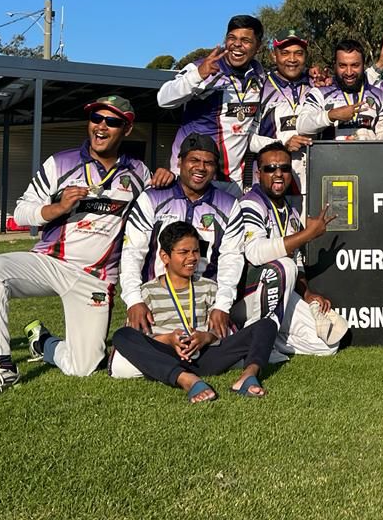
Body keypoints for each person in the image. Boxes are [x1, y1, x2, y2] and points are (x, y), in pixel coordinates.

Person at [0, 95, 173, 398]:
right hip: (50, 263)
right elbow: (22, 211)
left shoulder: (139, 174)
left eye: (112, 121)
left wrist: (167, 178)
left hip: (96, 278)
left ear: (126, 129)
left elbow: (161, 205)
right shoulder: (60, 162)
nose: (101, 126)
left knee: (84, 366)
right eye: (96, 119)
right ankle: (2, 366)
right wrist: (58, 207)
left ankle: (43, 342)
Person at [111, 223, 276, 401]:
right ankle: (186, 379)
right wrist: (168, 339)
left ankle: (247, 377)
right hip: (166, 354)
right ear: (165, 257)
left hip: (205, 355)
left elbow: (219, 331)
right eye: (184, 252)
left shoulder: (209, 287)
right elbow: (141, 338)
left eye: (196, 251)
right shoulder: (146, 292)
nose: (192, 258)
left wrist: (205, 337)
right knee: (122, 335)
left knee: (267, 325)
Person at [119, 133, 244, 341]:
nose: (201, 168)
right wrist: (134, 300)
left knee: (232, 355)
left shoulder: (229, 205)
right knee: (128, 365)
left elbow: (231, 258)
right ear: (179, 161)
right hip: (157, 298)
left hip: (205, 298)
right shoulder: (152, 197)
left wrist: (221, 305)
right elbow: (133, 252)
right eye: (194, 160)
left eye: (209, 163)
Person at [239, 143, 349, 355]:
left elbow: (297, 259)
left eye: (285, 168)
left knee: (327, 347)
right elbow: (254, 253)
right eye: (270, 168)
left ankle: (261, 340)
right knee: (284, 266)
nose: (278, 174)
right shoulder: (250, 203)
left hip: (278, 292)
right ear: (258, 173)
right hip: (247, 297)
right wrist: (308, 234)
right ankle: (255, 342)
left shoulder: (290, 210)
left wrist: (307, 293)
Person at [157, 15, 276, 193]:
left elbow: (245, 134)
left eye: (245, 40)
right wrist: (198, 75)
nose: (237, 45)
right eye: (232, 38)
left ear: (258, 46)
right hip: (193, 177)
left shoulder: (258, 75)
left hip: (232, 182)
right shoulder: (204, 67)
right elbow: (164, 99)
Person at [296, 39, 383, 141]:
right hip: (331, 156)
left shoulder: (380, 95)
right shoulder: (320, 93)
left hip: (368, 156)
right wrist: (330, 116)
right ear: (335, 65)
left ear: (363, 65)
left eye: (355, 65)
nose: (349, 72)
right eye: (342, 66)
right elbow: (301, 126)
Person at [262, 28, 317, 194]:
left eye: (298, 53)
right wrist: (282, 144)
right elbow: (246, 138)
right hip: (274, 181)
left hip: (314, 179)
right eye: (285, 53)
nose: (292, 59)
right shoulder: (259, 86)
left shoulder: (317, 84)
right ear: (274, 55)